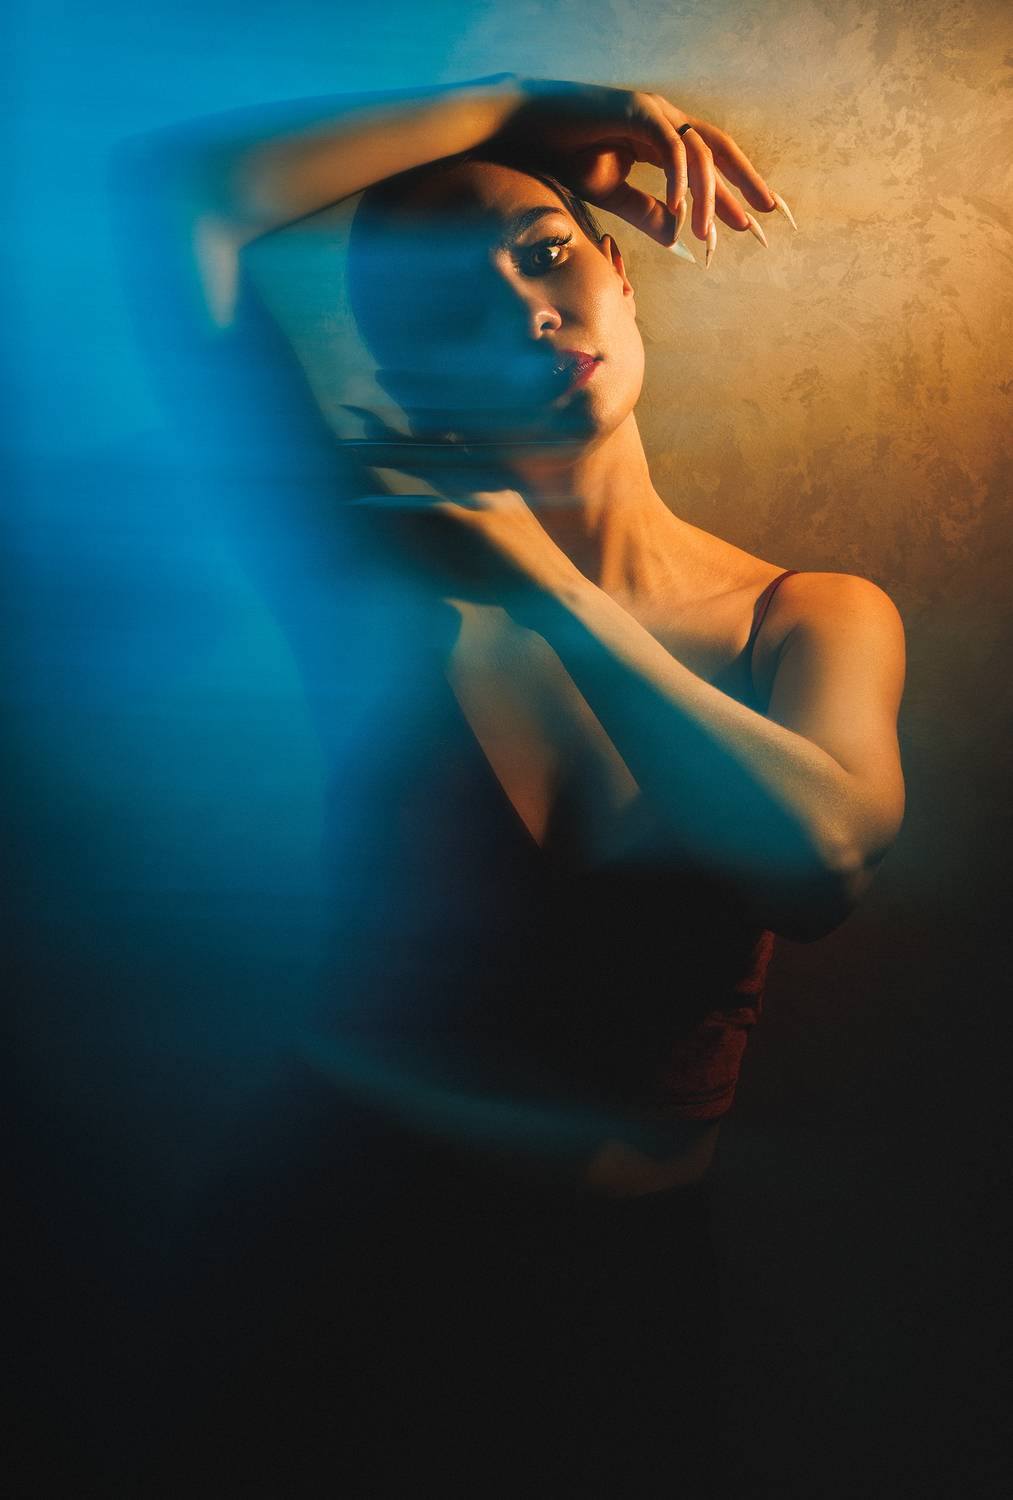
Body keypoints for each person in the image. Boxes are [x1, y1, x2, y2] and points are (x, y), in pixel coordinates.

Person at [114, 75, 906, 1498]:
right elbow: (178, 202)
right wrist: (515, 101)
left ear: (622, 276)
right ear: (412, 378)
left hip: (625, 1297)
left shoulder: (805, 615)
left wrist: (553, 594)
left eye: (546, 255)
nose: (530, 312)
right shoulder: (367, 576)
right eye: (450, 308)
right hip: (335, 1246)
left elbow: (820, 866)